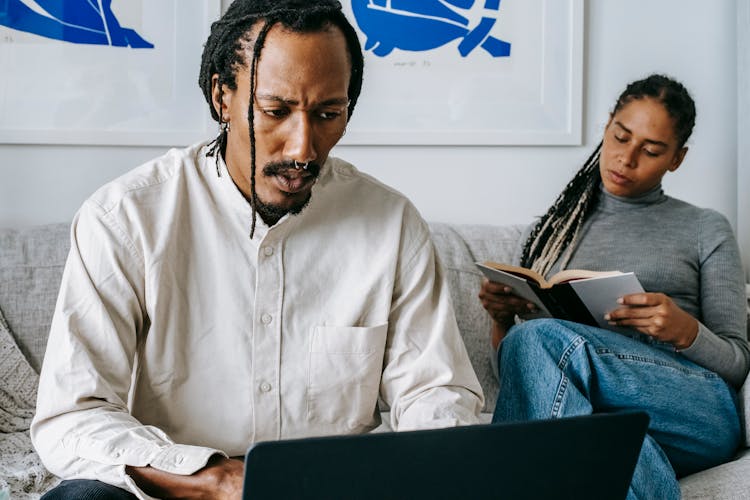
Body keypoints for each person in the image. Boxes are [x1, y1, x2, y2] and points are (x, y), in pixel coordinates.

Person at [31, 1, 484, 498]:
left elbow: (435, 394)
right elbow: (73, 414)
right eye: (276, 111)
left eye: (328, 114)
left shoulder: (392, 225)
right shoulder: (125, 218)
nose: (302, 149)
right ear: (221, 97)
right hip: (176, 489)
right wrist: (217, 480)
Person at [478, 74, 749, 500]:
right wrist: (502, 322)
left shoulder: (705, 227)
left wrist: (684, 330)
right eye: (621, 137)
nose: (626, 158)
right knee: (604, 438)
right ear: (606, 127)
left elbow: (737, 361)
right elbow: (527, 387)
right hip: (603, 407)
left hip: (694, 407)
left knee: (544, 345)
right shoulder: (554, 229)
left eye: (651, 150)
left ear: (676, 159)